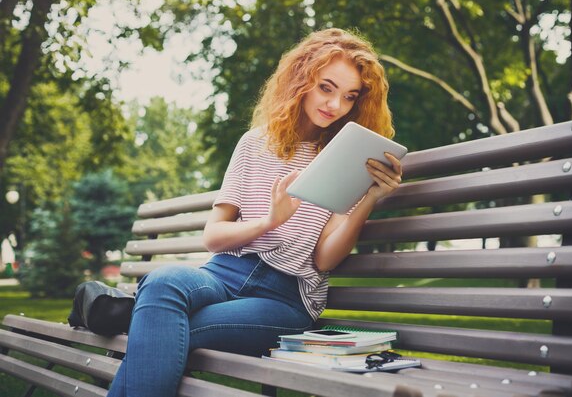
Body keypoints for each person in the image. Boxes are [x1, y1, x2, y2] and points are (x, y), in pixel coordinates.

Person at [107, 28, 403, 397]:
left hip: (284, 297)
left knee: (161, 326)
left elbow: (325, 259)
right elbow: (213, 237)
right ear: (302, 80)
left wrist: (369, 198)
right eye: (326, 88)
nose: (335, 105)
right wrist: (270, 221)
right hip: (224, 273)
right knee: (163, 282)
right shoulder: (255, 143)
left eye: (349, 97)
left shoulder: (347, 160)